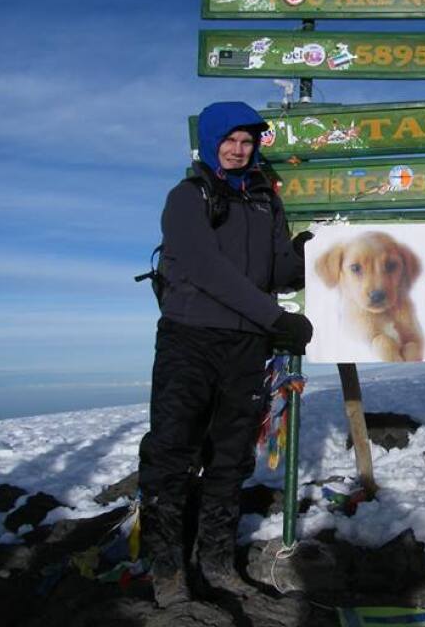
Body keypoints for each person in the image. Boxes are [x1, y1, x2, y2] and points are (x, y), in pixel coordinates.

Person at [137, 101, 314, 606]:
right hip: (189, 340)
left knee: (231, 456)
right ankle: (168, 570)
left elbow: (277, 271)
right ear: (211, 143)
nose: (238, 150)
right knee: (172, 450)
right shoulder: (187, 197)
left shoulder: (264, 201)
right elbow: (206, 270)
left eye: (247, 142)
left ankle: (216, 564)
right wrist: (276, 319)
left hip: (244, 347)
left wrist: (307, 254)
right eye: (229, 141)